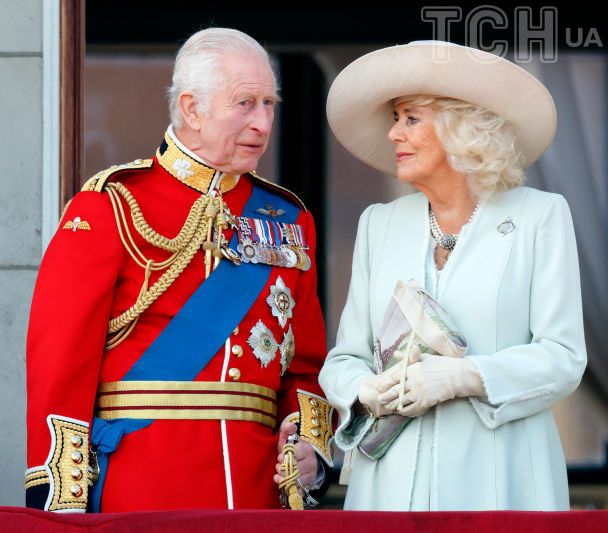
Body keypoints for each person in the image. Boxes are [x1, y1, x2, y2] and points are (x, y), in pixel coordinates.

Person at [25, 27, 332, 513]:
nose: (262, 123)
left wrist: (310, 450)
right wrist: (63, 500)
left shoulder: (290, 221)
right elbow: (60, 362)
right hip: (140, 487)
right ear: (191, 108)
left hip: (256, 496)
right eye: (245, 103)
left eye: (269, 104)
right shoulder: (113, 205)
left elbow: (307, 365)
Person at [320, 41, 586, 511]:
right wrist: (363, 390)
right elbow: (344, 359)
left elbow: (563, 357)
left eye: (411, 118)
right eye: (395, 119)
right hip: (389, 489)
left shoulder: (539, 216)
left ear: (463, 127)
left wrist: (463, 377)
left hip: (502, 485)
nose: (394, 134)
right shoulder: (378, 223)